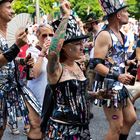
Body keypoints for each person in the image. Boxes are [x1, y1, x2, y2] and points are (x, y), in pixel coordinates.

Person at [43, 0, 91, 139]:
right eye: (77, 43)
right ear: (63, 47)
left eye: (82, 42)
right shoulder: (56, 69)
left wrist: (97, 94)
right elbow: (53, 52)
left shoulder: (77, 64)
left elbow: (77, 94)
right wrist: (66, 16)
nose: (82, 47)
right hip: (62, 132)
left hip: (82, 130)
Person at [89, 0, 137, 140]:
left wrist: (127, 61)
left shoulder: (121, 34)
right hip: (109, 86)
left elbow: (113, 58)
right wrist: (118, 76)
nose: (128, 14)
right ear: (118, 15)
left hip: (119, 84)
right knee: (116, 126)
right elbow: (95, 64)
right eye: (126, 12)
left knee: (131, 118)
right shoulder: (105, 35)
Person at [0, 1, 42, 140]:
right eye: (9, 7)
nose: (12, 11)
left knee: (36, 122)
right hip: (1, 89)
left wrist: (23, 61)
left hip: (16, 86)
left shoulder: (10, 33)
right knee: (0, 129)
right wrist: (17, 46)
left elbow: (9, 61)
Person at [26, 23, 54, 106]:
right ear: (37, 36)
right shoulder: (31, 51)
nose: (48, 38)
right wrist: (42, 52)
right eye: (44, 35)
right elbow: (33, 75)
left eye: (51, 35)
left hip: (51, 97)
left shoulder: (54, 51)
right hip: (38, 96)